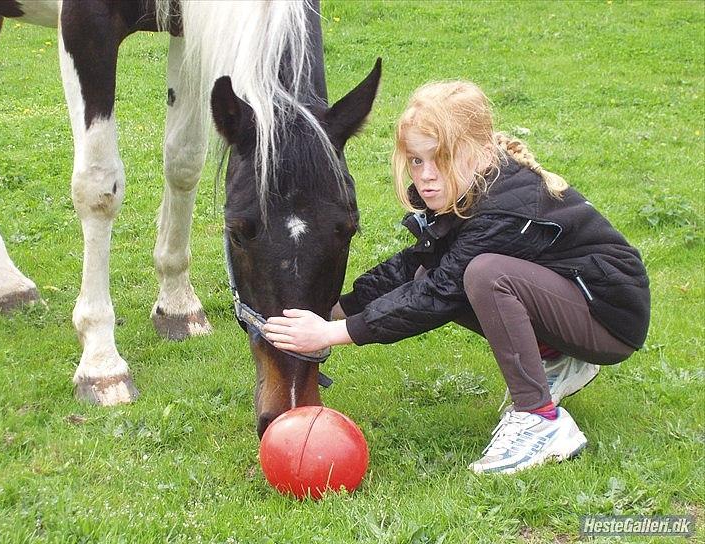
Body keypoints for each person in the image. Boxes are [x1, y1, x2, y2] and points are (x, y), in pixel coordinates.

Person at [263, 81, 650, 474]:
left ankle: (541, 421)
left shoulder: (502, 208)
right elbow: (417, 266)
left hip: (608, 319)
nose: (426, 176)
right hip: (569, 305)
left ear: (481, 153)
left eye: (442, 158)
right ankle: (557, 360)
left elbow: (437, 294)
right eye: (416, 160)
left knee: (485, 275)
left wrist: (333, 335)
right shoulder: (465, 189)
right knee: (439, 271)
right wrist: (336, 309)